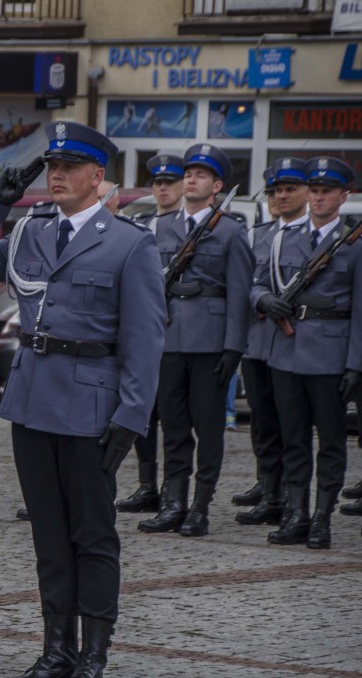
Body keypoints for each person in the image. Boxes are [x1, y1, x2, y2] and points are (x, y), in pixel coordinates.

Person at [0, 121, 165, 678]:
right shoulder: (30, 231)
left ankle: (94, 651)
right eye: (52, 167)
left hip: (93, 405)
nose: (58, 175)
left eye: (71, 167)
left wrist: (132, 415)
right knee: (49, 535)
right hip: (32, 401)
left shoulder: (130, 243)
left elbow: (145, 338)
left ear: (99, 177)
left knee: (92, 535)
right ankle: (56, 649)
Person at [139, 143, 252, 539]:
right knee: (173, 427)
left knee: (209, 429)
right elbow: (151, 287)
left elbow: (240, 294)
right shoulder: (162, 228)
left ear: (217, 185)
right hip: (169, 341)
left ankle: (200, 507)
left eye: (201, 174)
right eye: (188, 172)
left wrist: (233, 347)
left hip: (211, 342)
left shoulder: (231, 231)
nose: (191, 179)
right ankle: (173, 503)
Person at [251, 157, 359, 549]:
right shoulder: (282, 238)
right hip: (286, 351)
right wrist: (265, 301)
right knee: (293, 439)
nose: (318, 198)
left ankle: (322, 518)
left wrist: (355, 364)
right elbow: (257, 283)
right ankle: (296, 513)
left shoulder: (353, 245)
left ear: (343, 196)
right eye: (313, 191)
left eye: (326, 191)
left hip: (330, 356)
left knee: (331, 442)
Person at [233, 160, 307, 525]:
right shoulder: (258, 234)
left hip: (293, 343)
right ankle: (269, 487)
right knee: (262, 421)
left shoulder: (315, 234)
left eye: (289, 190)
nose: (280, 197)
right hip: (258, 342)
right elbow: (242, 280)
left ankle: (289, 497)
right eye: (275, 191)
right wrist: (258, 299)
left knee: (289, 423)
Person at [116, 153, 184, 514]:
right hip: (138, 337)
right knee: (141, 413)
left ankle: (174, 492)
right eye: (157, 182)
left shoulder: (192, 228)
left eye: (169, 182)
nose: (162, 188)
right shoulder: (138, 225)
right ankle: (146, 486)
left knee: (173, 419)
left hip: (175, 336)